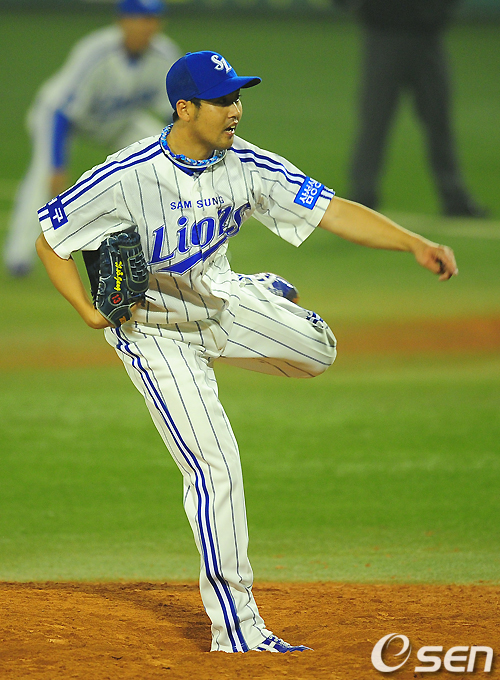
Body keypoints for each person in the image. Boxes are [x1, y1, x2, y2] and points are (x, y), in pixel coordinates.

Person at [35, 50, 458, 653]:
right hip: (157, 336)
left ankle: (258, 287)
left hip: (223, 303)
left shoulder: (248, 165)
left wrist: (412, 242)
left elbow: (331, 210)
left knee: (320, 352)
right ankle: (238, 630)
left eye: (237, 97)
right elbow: (50, 240)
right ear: (185, 108)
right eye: (222, 100)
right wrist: (87, 310)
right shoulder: (125, 175)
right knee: (216, 468)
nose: (235, 109)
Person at [4, 0, 181, 277]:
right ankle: (18, 257)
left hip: (119, 121)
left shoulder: (165, 54)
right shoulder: (96, 51)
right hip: (60, 118)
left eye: (152, 19)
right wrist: (57, 165)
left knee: (166, 153)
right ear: (123, 21)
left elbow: (176, 110)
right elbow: (61, 112)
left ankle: (178, 246)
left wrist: (185, 146)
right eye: (140, 19)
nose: (147, 26)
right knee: (44, 174)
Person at [337, 0, 488, 217]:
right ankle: (362, 196)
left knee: (438, 121)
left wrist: (438, 13)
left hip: (425, 38)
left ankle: (454, 197)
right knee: (375, 121)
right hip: (383, 35)